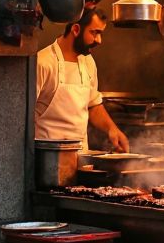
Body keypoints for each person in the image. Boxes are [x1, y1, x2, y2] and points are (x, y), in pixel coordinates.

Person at [34, 8, 129, 152]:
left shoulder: (88, 62)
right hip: (47, 157)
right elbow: (23, 115)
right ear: (76, 29)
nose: (99, 40)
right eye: (94, 32)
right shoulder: (43, 62)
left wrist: (112, 129)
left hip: (81, 157)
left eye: (100, 34)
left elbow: (92, 105)